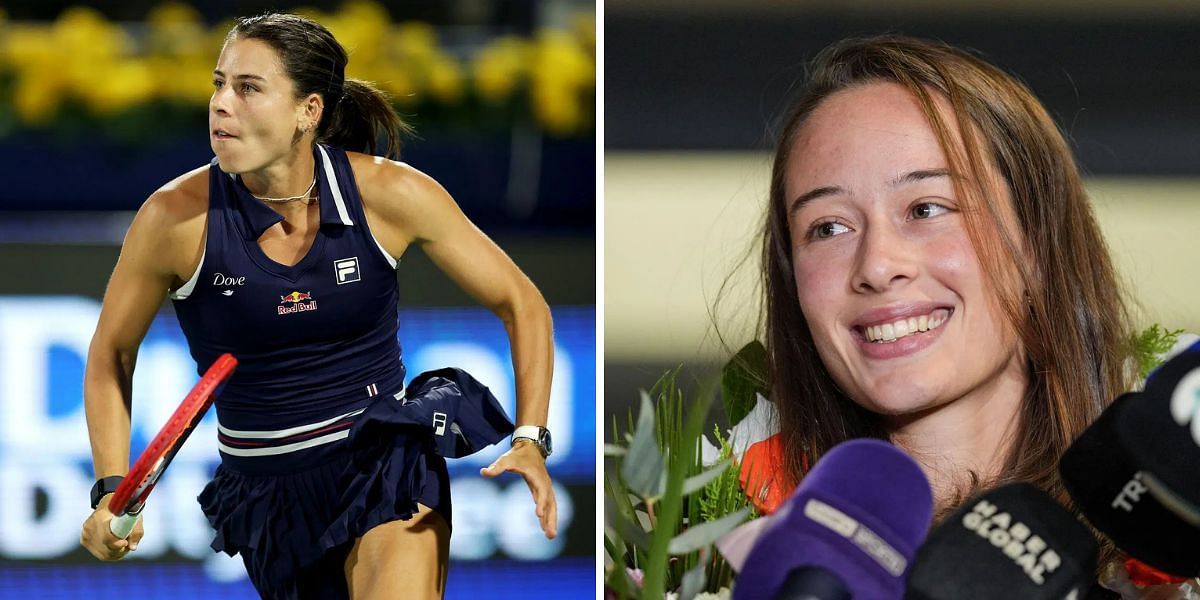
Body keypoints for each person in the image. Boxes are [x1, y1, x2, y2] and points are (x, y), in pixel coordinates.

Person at [78, 12, 557, 600]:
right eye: (218, 83)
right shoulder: (173, 218)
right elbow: (112, 353)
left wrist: (530, 438)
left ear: (309, 110)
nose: (222, 104)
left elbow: (522, 301)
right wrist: (110, 489)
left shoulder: (391, 194)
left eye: (248, 88)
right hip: (265, 495)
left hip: (383, 462)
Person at [748, 34, 1190, 595]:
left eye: (927, 208)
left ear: (1036, 241)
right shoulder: (710, 546)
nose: (878, 266)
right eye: (829, 227)